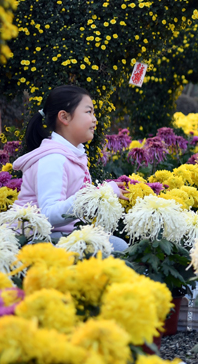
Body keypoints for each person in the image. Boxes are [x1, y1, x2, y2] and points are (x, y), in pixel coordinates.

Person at [13, 85, 127, 250]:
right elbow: (48, 214)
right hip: (36, 239)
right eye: (89, 112)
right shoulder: (53, 159)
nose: (95, 119)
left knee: (116, 245)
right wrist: (100, 194)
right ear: (64, 117)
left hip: (62, 234)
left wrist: (103, 196)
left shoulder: (74, 155)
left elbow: (78, 202)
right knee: (118, 248)